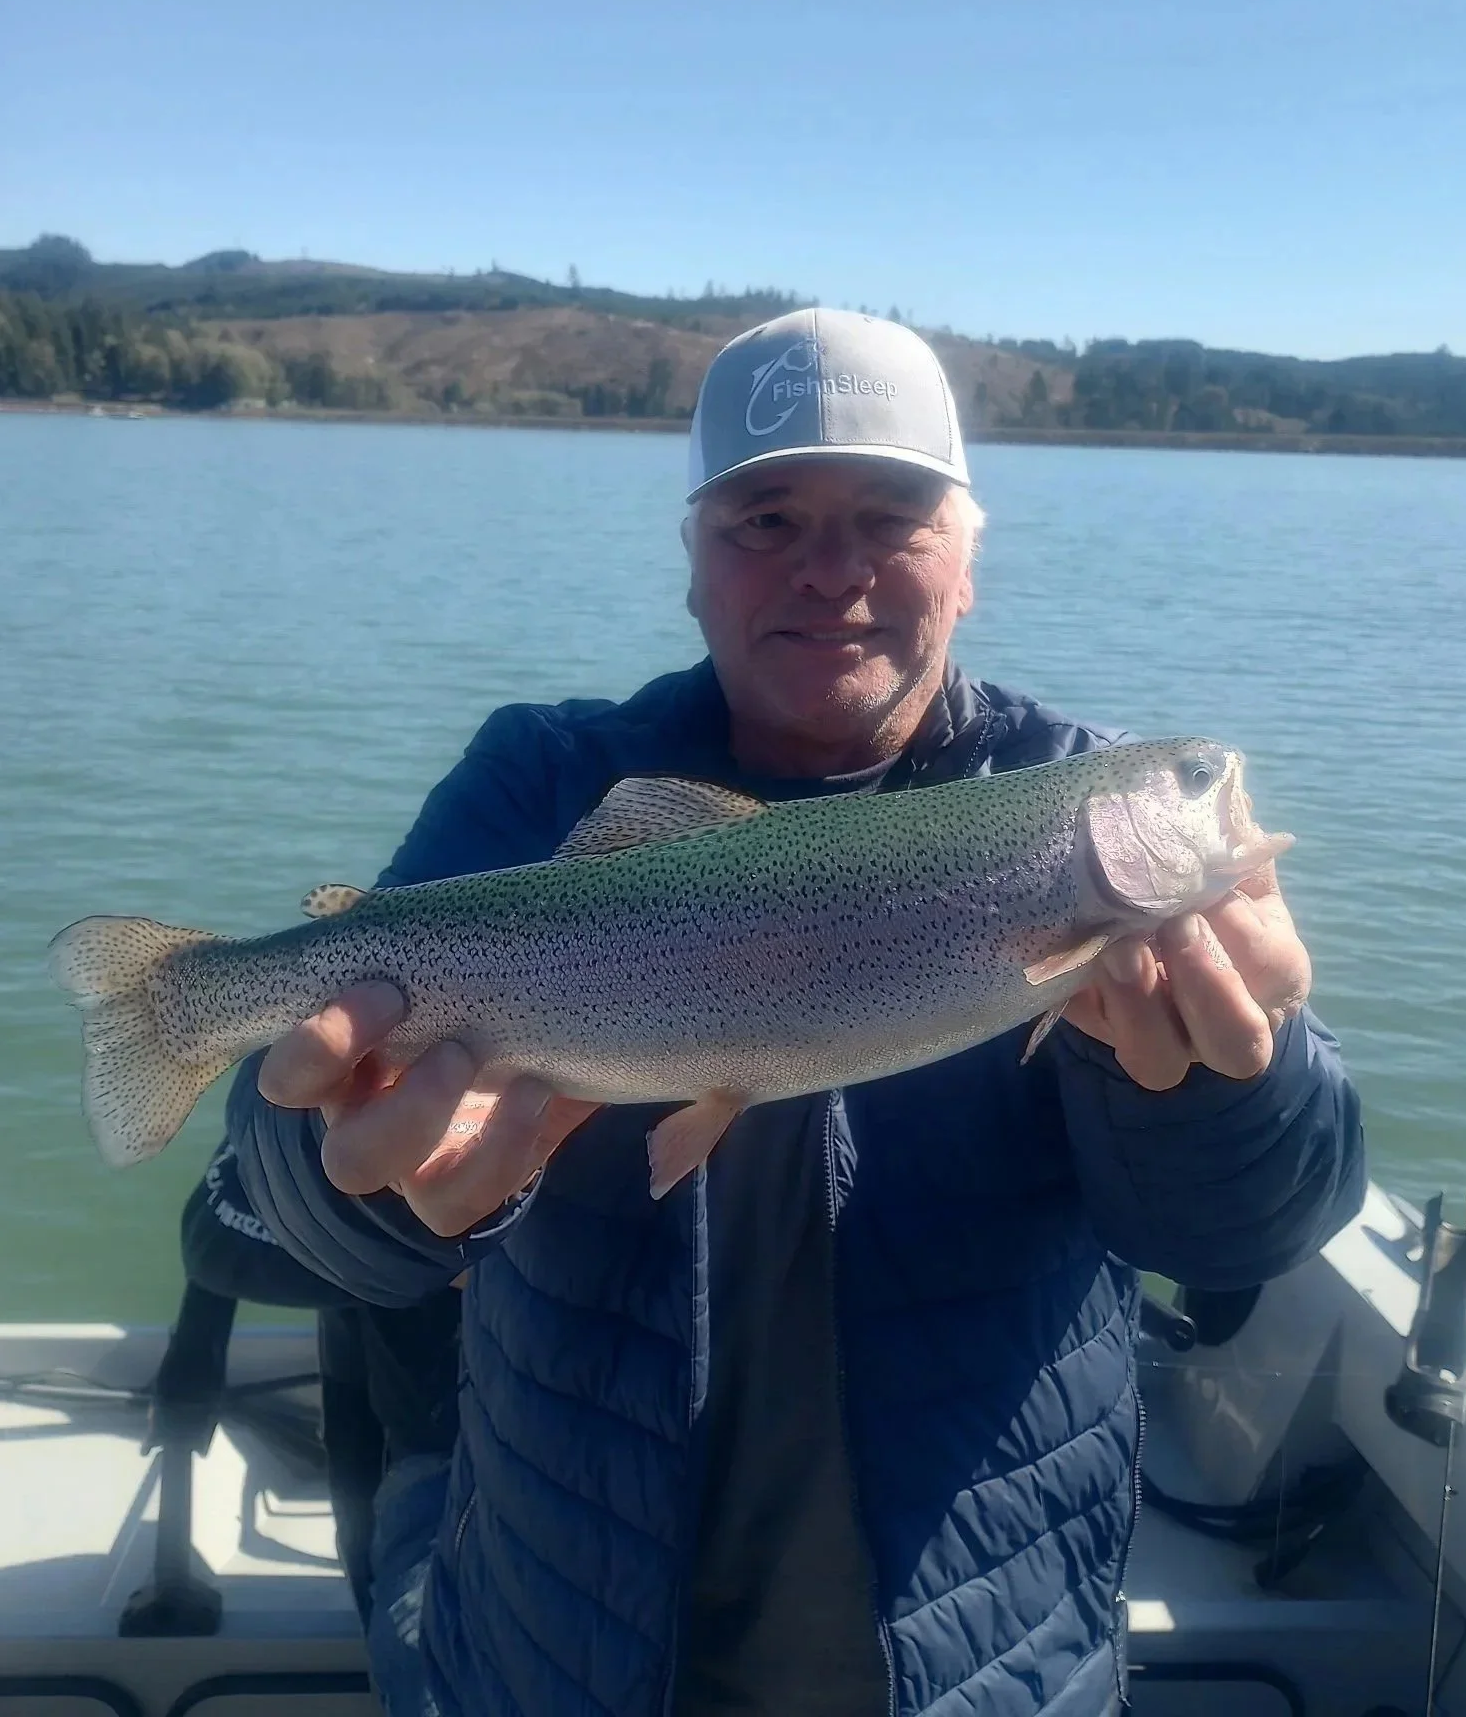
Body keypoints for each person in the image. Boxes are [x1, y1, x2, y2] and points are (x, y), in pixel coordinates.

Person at [228, 308, 1366, 1717]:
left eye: (890, 518)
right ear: (693, 561)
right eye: (765, 518)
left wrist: (1216, 1092)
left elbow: (1252, 1227)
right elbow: (292, 1165)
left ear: (967, 559)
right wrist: (363, 1183)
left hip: (986, 1663)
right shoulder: (540, 781)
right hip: (559, 1641)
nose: (831, 573)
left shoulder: (1064, 794)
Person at [178, 1135, 462, 1625]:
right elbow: (216, 1236)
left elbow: (214, 1239)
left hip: (443, 1413)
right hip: (409, 1404)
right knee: (377, 1534)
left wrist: (196, 1345)